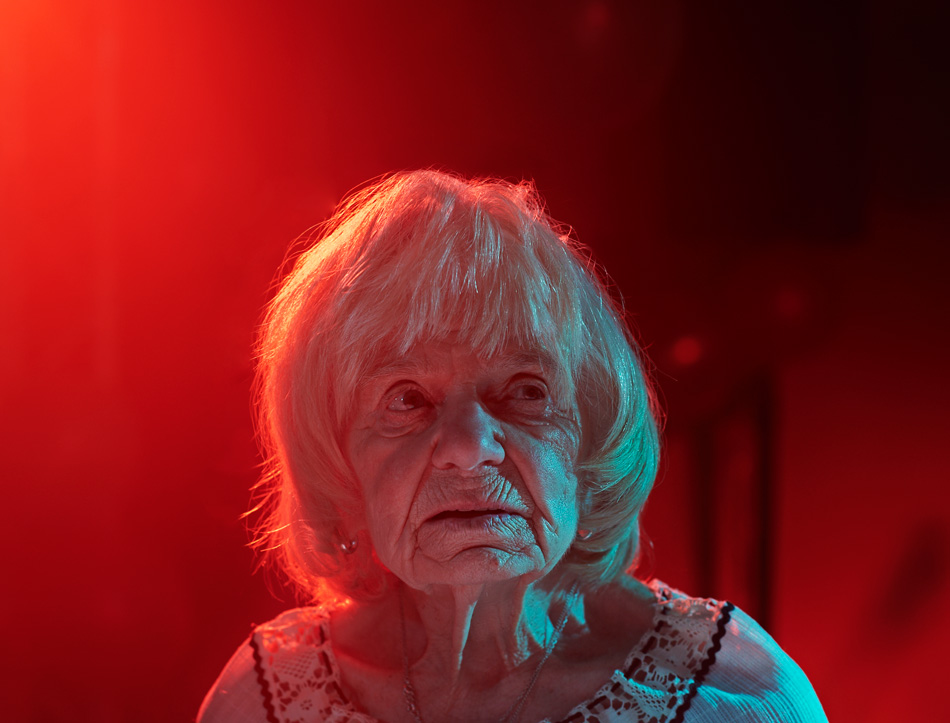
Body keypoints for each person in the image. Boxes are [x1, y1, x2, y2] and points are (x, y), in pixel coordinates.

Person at [198, 170, 827, 723]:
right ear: (338, 465)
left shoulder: (729, 700)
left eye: (526, 391)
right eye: (407, 399)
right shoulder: (267, 701)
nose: (469, 448)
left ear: (592, 441)